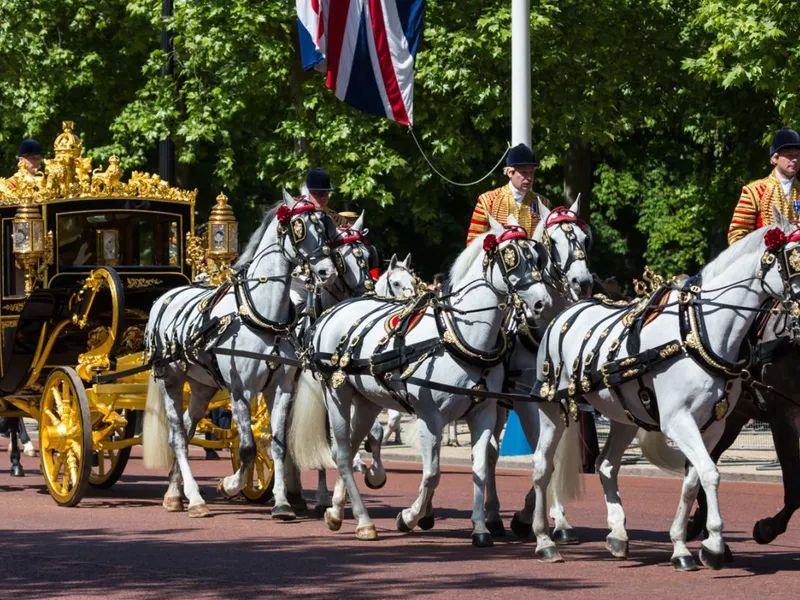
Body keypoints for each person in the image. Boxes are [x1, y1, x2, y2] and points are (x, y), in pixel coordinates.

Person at [728, 126, 800, 245]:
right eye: (789, 155)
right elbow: (737, 235)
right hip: (765, 261)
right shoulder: (754, 191)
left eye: (798, 155)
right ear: (774, 158)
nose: (795, 160)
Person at [466, 143, 550, 244]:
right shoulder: (487, 201)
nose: (529, 178)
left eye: (531, 172)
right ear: (510, 172)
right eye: (524, 172)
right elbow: (473, 243)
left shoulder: (542, 203)